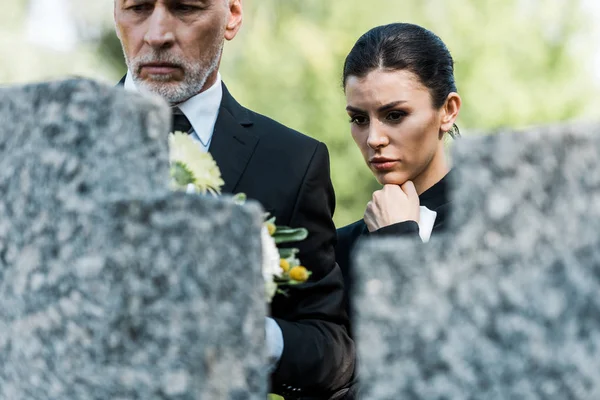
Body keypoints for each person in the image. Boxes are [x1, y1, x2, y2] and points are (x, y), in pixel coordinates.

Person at [113, 1, 355, 398]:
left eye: (185, 7)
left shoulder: (293, 163)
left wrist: (256, 337)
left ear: (232, 17)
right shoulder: (49, 150)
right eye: (137, 7)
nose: (157, 34)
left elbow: (331, 347)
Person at [335, 23, 462, 331]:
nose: (374, 138)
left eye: (395, 115)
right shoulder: (338, 248)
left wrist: (396, 240)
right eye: (359, 119)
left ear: (447, 110)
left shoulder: (493, 225)